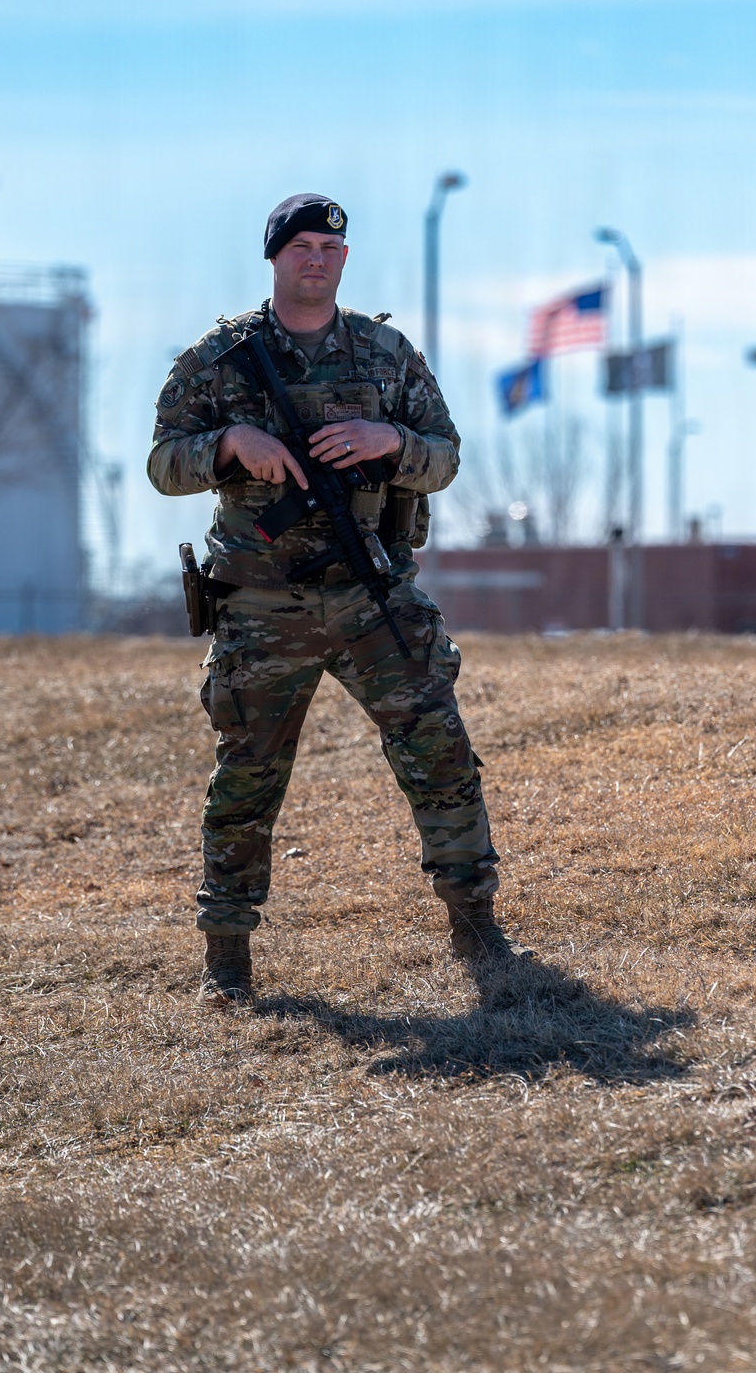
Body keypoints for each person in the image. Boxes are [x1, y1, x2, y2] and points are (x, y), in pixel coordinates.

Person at [148, 193, 529, 1006]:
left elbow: (445, 457)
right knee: (246, 779)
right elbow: (163, 463)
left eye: (329, 248)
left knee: (440, 751)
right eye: (301, 248)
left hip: (372, 593)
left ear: (344, 259)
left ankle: (476, 922)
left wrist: (390, 441)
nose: (316, 259)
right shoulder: (221, 358)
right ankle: (227, 956)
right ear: (275, 259)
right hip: (261, 604)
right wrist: (231, 443)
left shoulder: (386, 354)